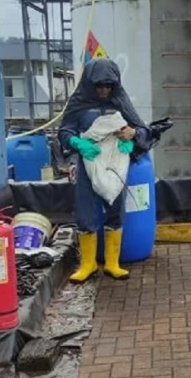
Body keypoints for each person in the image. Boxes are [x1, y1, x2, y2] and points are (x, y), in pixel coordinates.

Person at [58, 58, 150, 284]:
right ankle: (88, 263)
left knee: (116, 209)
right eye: (99, 85)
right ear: (90, 84)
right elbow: (65, 130)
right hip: (88, 162)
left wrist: (133, 136)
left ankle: (112, 262)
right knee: (86, 210)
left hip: (116, 163)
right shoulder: (78, 102)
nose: (104, 90)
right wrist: (76, 143)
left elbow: (144, 131)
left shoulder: (120, 101)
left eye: (109, 85)